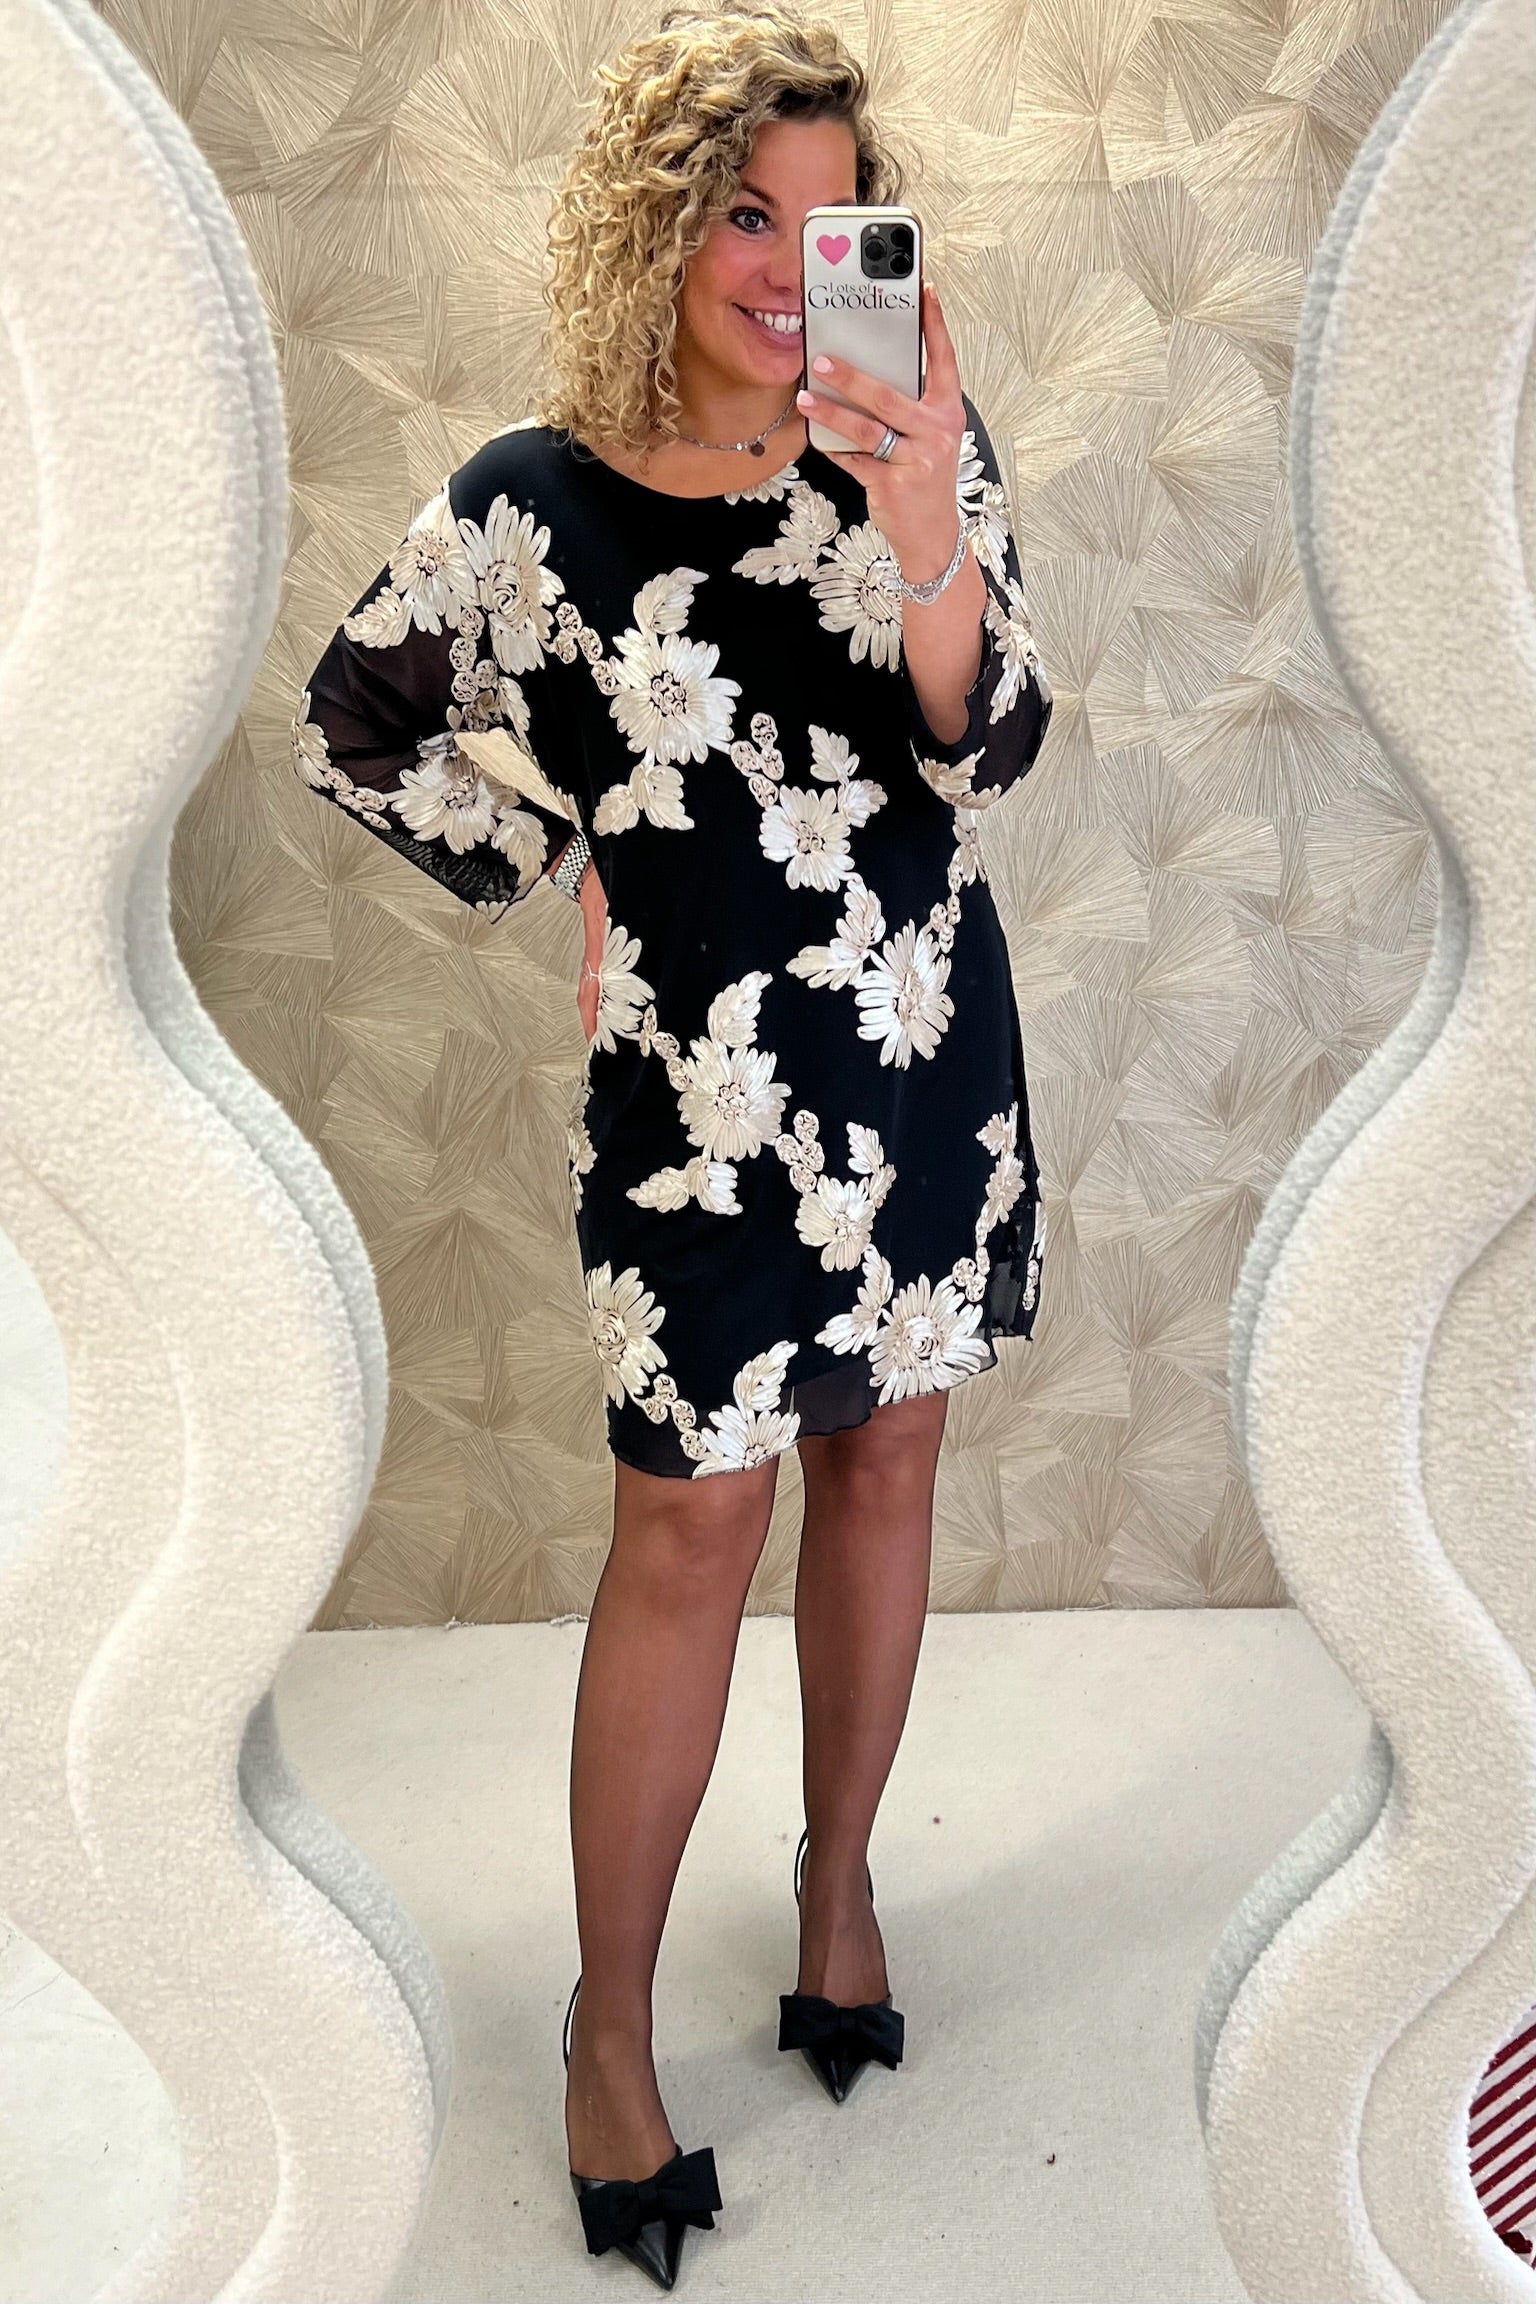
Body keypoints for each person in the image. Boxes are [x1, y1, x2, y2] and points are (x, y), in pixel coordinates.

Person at [292, 1, 1052, 2287]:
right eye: (743, 211)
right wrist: (559, 857)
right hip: (700, 1111)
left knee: (889, 1459)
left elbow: (992, 746)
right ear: (659, 224)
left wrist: (923, 525)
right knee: (691, 1521)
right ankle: (607, 2029)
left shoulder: (915, 445)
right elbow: (355, 724)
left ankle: (838, 1885)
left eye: (831, 221)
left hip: (915, 1057)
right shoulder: (526, 509)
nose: (788, 263)